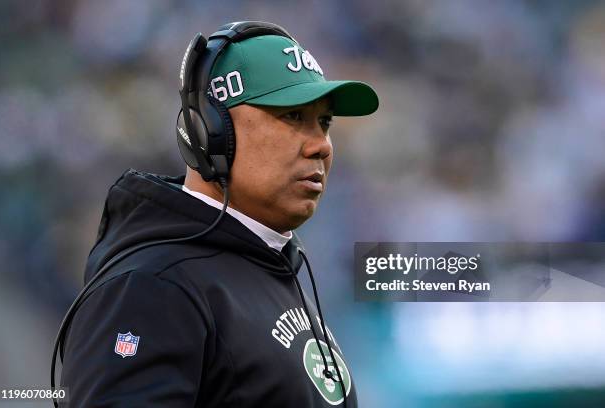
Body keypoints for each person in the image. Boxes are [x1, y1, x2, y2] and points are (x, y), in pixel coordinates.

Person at [58, 21, 378, 407]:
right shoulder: (153, 285)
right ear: (211, 130)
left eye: (323, 123)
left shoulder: (268, 268)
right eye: (293, 116)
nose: (321, 146)